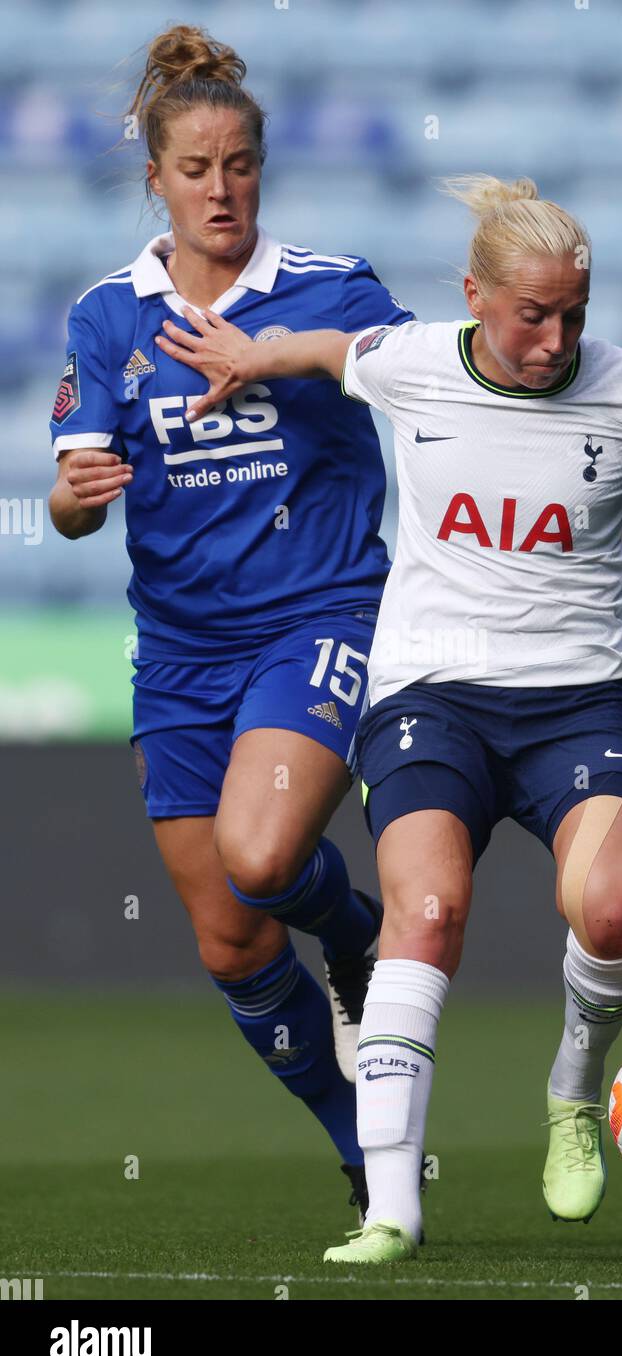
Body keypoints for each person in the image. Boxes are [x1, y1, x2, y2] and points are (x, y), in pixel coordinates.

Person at [154, 174, 622, 1266]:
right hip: (431, 694)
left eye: (574, 314)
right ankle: (393, 1206)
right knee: (430, 910)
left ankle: (575, 1093)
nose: (556, 339)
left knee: (620, 908)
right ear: (475, 298)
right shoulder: (413, 364)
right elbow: (320, 352)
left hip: (582, 699)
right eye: (533, 315)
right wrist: (248, 356)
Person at [47, 23, 415, 1219]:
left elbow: (426, 384)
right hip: (181, 653)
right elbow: (71, 504)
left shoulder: (329, 286)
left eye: (241, 164)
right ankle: (362, 1151)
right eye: (197, 169)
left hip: (318, 611)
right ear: (155, 175)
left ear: (262, 165)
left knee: (262, 861)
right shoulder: (109, 317)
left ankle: (355, 928)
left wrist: (284, 361)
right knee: (230, 941)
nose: (222, 189)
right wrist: (71, 498)